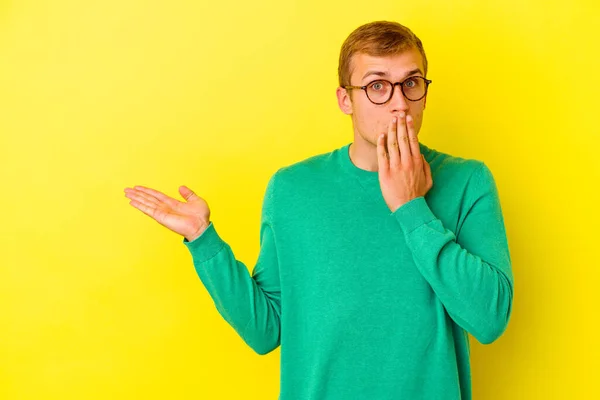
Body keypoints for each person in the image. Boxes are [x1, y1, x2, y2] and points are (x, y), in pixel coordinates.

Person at [124, 20, 514, 400]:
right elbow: (266, 331)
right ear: (346, 99)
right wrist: (203, 240)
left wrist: (412, 207)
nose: (399, 104)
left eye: (411, 83)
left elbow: (489, 319)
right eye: (377, 85)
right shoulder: (293, 189)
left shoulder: (467, 182)